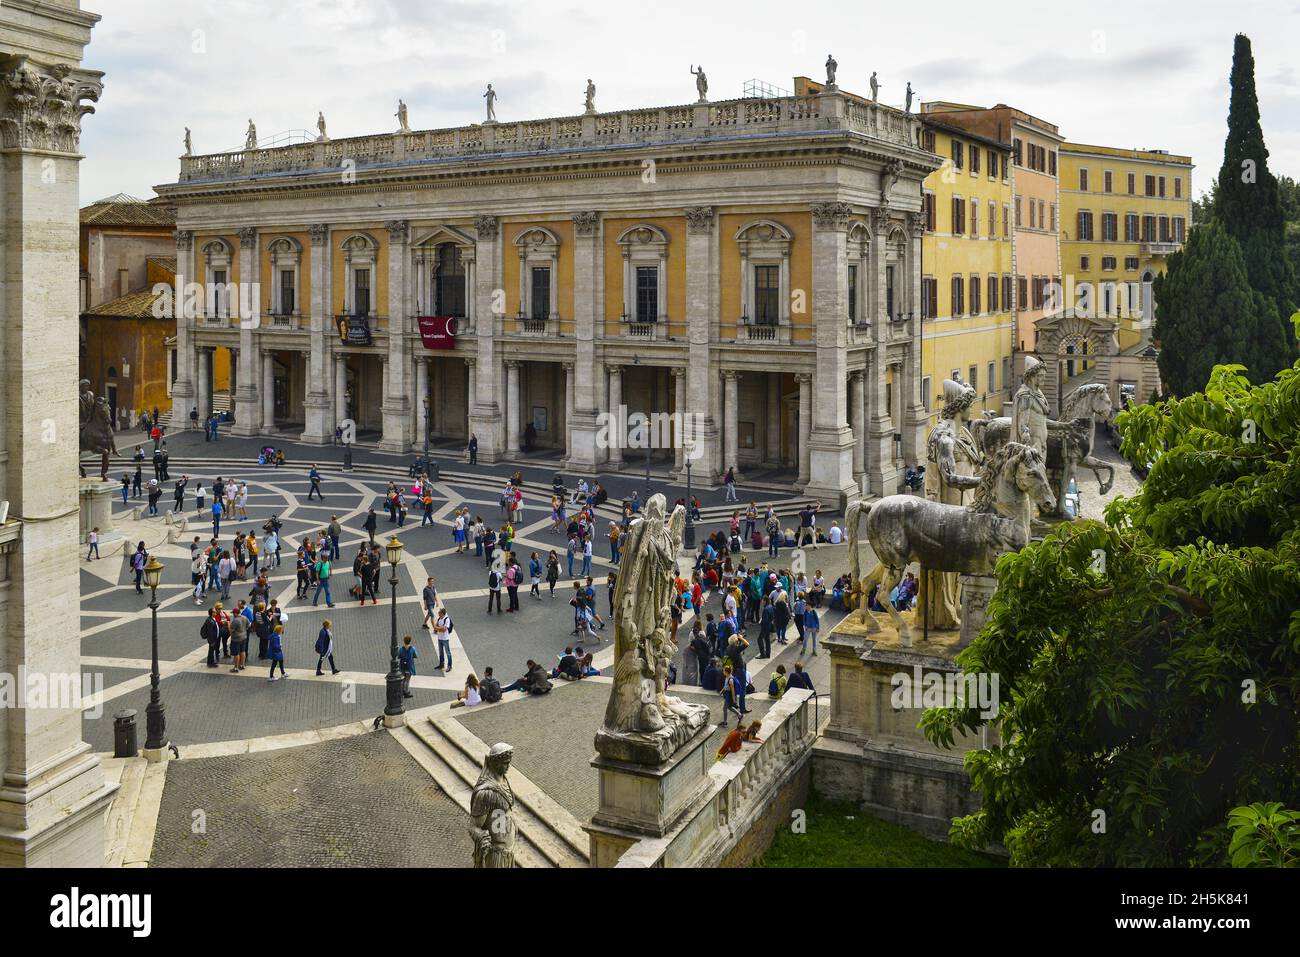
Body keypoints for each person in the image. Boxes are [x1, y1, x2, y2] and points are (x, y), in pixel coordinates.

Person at [229, 606, 249, 673]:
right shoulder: (245, 617)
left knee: (236, 653)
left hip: (236, 639)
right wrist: (244, 630)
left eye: (233, 613)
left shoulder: (235, 620)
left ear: (235, 613)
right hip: (244, 637)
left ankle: (236, 668)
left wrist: (228, 624)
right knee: (242, 651)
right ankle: (242, 665)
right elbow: (249, 625)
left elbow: (231, 631)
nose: (233, 615)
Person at [434, 606, 454, 672]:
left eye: (439, 612)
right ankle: (441, 664)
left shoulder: (446, 619)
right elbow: (435, 626)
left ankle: (449, 665)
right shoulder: (439, 619)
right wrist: (440, 628)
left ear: (442, 613)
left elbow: (445, 629)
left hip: (445, 638)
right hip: (439, 638)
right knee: (440, 652)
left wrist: (438, 628)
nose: (438, 613)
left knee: (448, 652)